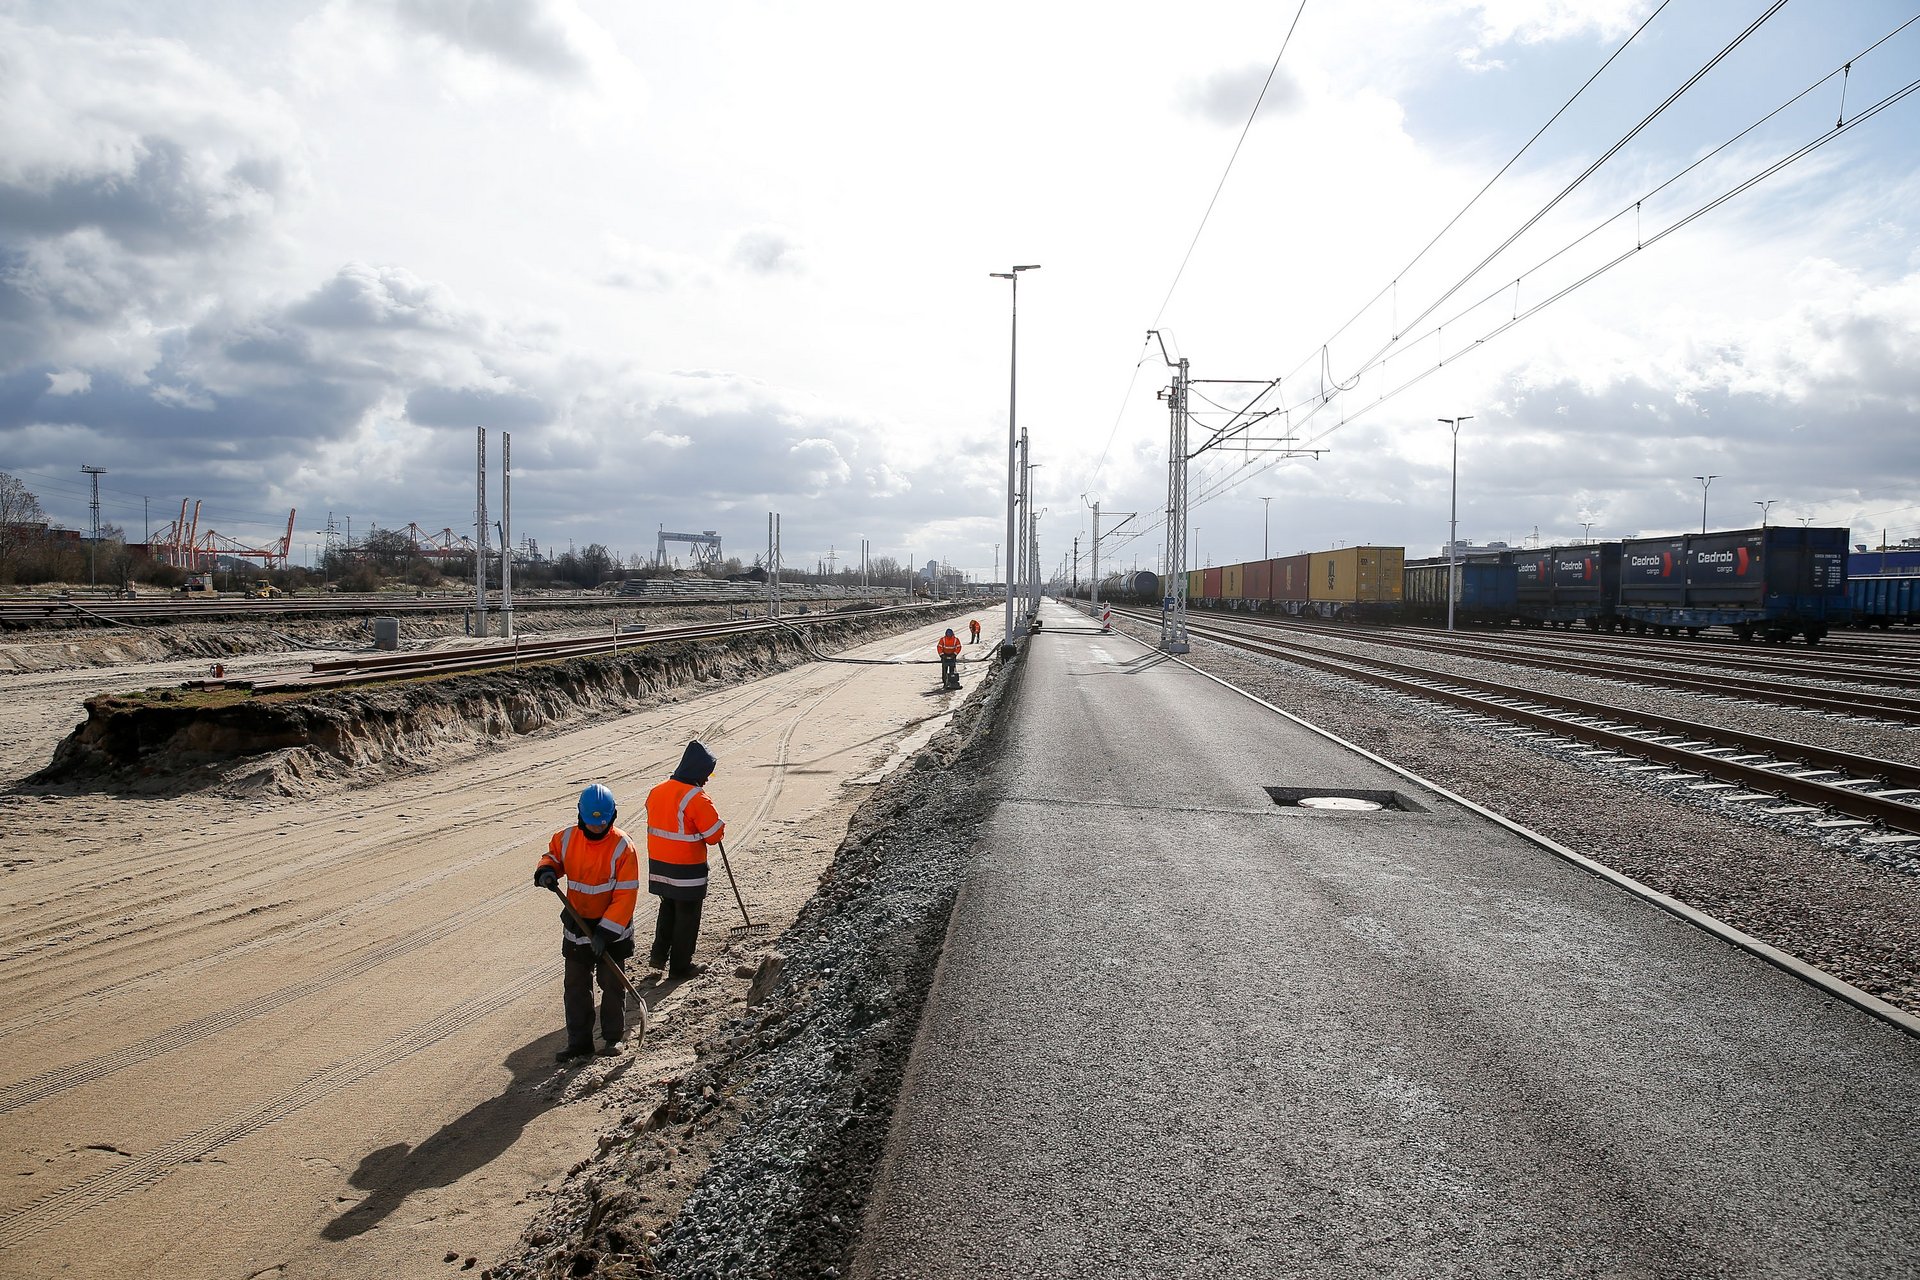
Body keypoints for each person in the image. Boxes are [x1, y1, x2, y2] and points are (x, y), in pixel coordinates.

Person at [534, 784, 639, 1060]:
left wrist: (605, 933)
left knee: (612, 983)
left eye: (602, 823)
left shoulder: (623, 847)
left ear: (612, 817)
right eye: (592, 824)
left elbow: (626, 895)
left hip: (611, 931)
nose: (596, 828)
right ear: (581, 816)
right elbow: (553, 856)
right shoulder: (567, 838)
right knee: (575, 985)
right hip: (578, 924)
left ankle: (613, 1038)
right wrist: (547, 870)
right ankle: (579, 1043)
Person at [645, 741, 726, 978]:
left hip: (659, 866)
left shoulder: (657, 790)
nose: (708, 779)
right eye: (707, 773)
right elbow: (713, 836)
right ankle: (680, 966)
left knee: (667, 909)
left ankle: (658, 957)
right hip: (687, 869)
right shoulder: (697, 798)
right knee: (687, 918)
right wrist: (720, 826)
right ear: (698, 771)